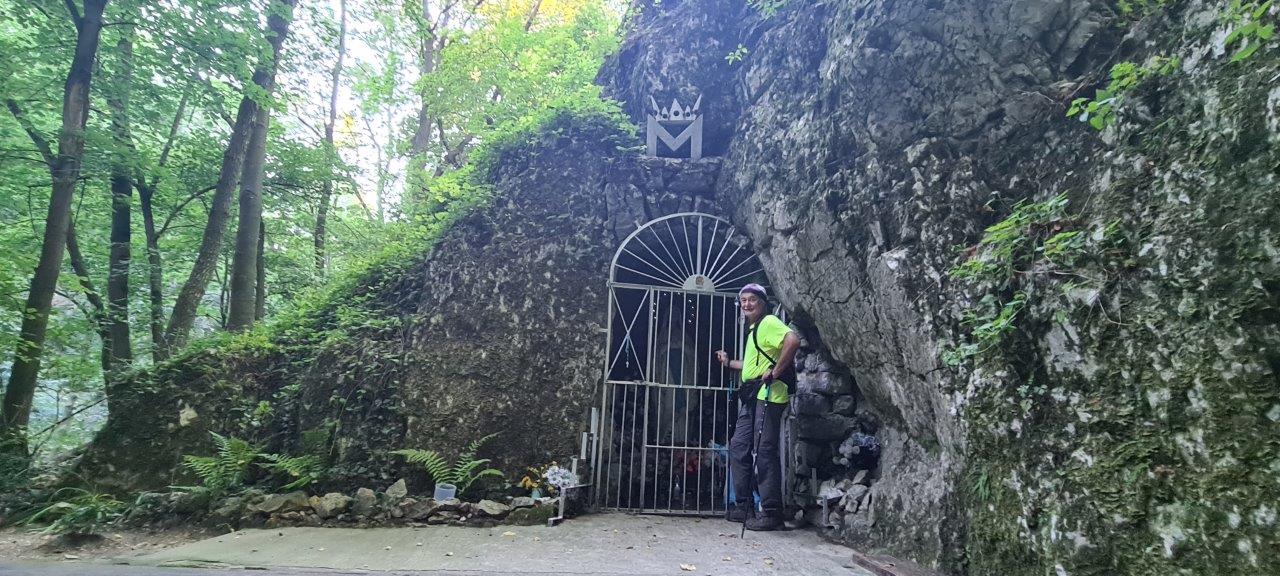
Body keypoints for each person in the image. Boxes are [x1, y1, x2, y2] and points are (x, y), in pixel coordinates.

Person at [714, 283, 799, 531]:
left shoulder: (769, 322)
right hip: (754, 394)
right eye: (743, 300)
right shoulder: (755, 329)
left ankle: (772, 513)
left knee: (764, 451)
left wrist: (776, 371)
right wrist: (729, 363)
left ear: (762, 302)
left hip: (769, 395)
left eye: (752, 299)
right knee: (738, 446)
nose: (747, 304)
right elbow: (752, 366)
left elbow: (793, 340)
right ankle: (744, 507)